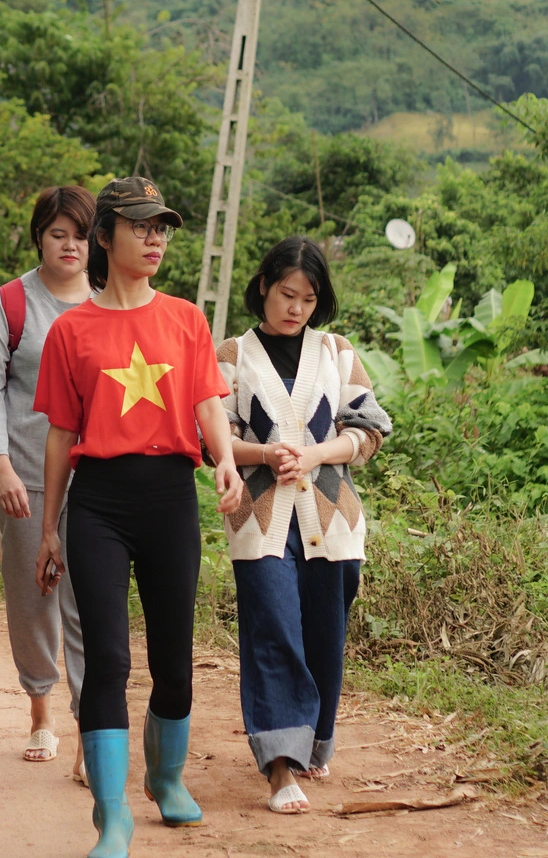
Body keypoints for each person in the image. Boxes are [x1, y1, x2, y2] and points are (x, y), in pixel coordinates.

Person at [33, 178, 245, 858]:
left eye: (163, 229)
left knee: (174, 660)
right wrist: (47, 529)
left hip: (168, 497)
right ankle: (110, 815)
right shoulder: (71, 330)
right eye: (141, 226)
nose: (156, 239)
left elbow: (208, 399)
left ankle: (167, 777)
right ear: (105, 236)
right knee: (109, 658)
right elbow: (62, 436)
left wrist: (226, 461)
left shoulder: (185, 318)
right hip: (97, 501)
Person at [219, 237, 390, 815]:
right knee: (272, 630)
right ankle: (279, 767)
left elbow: (369, 431)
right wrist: (264, 455)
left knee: (324, 636)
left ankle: (315, 740)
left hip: (334, 519)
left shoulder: (337, 352)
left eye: (309, 298)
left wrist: (315, 455)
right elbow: (212, 439)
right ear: (264, 285)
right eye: (287, 294)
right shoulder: (232, 356)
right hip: (259, 520)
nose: (296, 308)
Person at [0, 185, 95, 773]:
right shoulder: (11, 303)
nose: (70, 245)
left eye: (80, 234)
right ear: (39, 237)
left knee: (87, 603)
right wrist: (0, 464)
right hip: (25, 473)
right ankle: (41, 711)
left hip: (96, 478)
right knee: (33, 596)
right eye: (57, 233)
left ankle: (87, 732)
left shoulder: (110, 301)